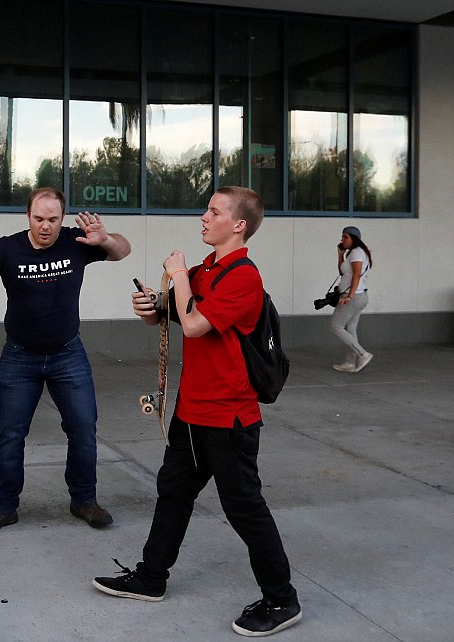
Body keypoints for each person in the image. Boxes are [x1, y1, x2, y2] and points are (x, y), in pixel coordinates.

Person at [92, 187, 301, 637]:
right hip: (192, 413)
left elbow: (195, 323)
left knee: (244, 508)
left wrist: (178, 273)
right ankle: (151, 578)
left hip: (229, 419)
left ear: (239, 225)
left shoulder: (243, 276)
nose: (204, 217)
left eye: (214, 211)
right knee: (173, 493)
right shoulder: (208, 269)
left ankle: (282, 600)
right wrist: (153, 307)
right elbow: (179, 314)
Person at [0, 187, 131, 535]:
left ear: (63, 218)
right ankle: (3, 507)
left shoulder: (78, 241)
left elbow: (122, 250)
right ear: (28, 216)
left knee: (83, 428)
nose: (45, 226)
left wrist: (105, 239)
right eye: (39, 218)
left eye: (53, 219)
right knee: (11, 435)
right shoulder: (7, 248)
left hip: (67, 354)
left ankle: (84, 500)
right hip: (19, 358)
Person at [330, 226, 373, 373]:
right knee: (350, 329)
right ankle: (350, 362)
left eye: (345, 237)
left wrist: (349, 296)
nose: (342, 240)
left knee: (336, 326)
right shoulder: (353, 253)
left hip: (354, 297)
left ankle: (362, 354)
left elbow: (356, 275)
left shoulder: (356, 253)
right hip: (359, 296)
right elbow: (343, 273)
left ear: (354, 238)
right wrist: (340, 255)